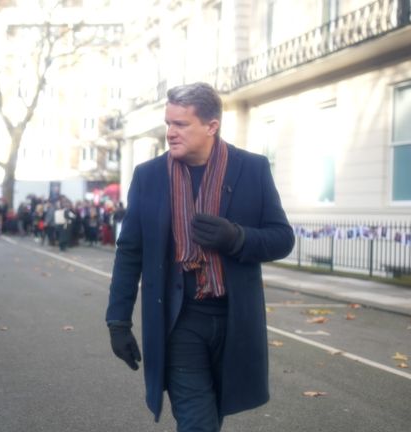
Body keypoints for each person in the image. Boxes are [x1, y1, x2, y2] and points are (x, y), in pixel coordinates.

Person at [106, 82, 294, 431]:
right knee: (197, 422)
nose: (170, 133)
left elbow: (282, 239)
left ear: (212, 126)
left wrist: (236, 237)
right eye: (168, 124)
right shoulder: (149, 176)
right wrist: (118, 321)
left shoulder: (252, 169)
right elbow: (130, 252)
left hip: (234, 321)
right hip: (180, 321)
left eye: (181, 124)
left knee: (211, 417)